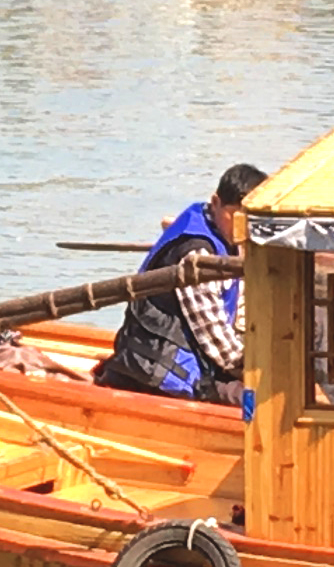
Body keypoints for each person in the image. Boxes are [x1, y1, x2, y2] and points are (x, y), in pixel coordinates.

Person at [97, 164, 265, 399]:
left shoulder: (226, 235)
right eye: (235, 217)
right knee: (258, 400)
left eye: (250, 219)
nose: (242, 228)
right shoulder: (197, 255)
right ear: (215, 203)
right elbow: (222, 348)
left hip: (201, 359)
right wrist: (262, 372)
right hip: (166, 370)